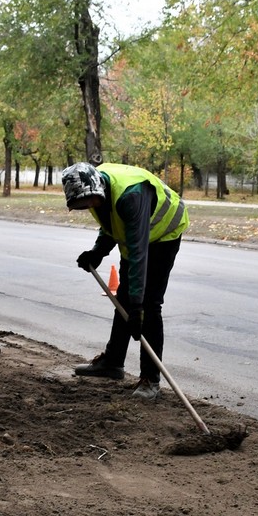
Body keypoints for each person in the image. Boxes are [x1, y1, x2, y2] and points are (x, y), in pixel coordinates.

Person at [62, 161, 189, 399]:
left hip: (163, 233)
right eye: (81, 205)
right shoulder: (95, 190)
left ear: (97, 190)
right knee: (123, 299)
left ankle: (150, 380)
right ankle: (113, 362)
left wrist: (137, 307)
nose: (87, 207)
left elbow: (138, 253)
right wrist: (98, 251)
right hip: (137, 235)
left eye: (88, 202)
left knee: (149, 307)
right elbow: (112, 222)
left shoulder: (131, 196)